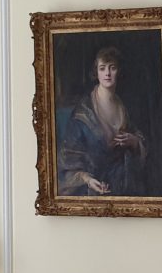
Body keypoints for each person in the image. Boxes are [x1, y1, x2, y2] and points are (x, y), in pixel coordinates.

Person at [56, 46, 147, 196]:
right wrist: (88, 179)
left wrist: (135, 141)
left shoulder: (123, 106)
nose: (107, 74)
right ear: (96, 73)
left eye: (112, 68)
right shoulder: (83, 113)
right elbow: (67, 162)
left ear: (119, 71)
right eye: (102, 68)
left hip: (124, 185)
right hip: (93, 187)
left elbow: (138, 139)